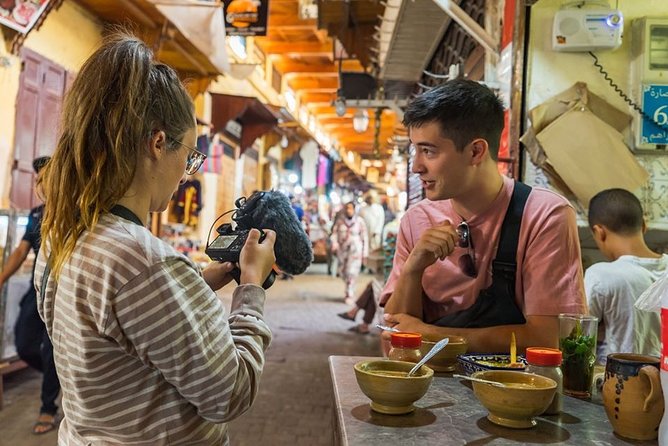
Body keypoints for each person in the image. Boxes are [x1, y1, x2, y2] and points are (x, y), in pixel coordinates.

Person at [33, 32, 276, 444]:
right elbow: (229, 393)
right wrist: (251, 288)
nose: (187, 174)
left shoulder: (65, 231)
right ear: (158, 143)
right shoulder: (143, 262)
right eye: (190, 155)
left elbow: (116, 326)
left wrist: (196, 284)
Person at [380, 79, 586, 353]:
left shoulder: (544, 216)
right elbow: (394, 334)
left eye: (428, 151)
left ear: (476, 151)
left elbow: (549, 338)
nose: (417, 166)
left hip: (514, 389)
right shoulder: (417, 220)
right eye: (414, 150)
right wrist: (414, 267)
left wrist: (432, 335)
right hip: (430, 386)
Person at [0, 156, 60, 435]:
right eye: (39, 179)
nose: (42, 184)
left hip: (61, 292)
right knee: (25, 344)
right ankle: (59, 377)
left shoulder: (74, 211)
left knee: (51, 349)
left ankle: (48, 407)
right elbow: (22, 251)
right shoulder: (37, 214)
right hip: (37, 289)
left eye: (47, 177)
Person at [585, 188, 664, 362]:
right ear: (644, 226)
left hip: (621, 382)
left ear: (600, 232)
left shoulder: (602, 275)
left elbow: (579, 334)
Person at [331, 202, 369, 304]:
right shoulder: (340, 222)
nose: (349, 210)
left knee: (351, 272)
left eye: (351, 208)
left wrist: (365, 253)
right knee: (343, 272)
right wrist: (334, 244)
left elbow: (365, 237)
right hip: (342, 251)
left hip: (356, 251)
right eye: (347, 208)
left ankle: (349, 293)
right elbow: (334, 234)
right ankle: (349, 287)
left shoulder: (360, 222)